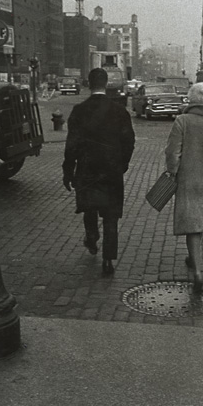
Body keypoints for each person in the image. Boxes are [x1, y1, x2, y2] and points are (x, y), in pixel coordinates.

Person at [62, 68, 135, 276]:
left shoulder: (79, 111)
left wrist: (68, 171)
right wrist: (122, 164)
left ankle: (92, 237)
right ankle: (108, 260)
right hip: (112, 170)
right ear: (105, 83)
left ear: (89, 84)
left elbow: (71, 145)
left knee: (90, 208)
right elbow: (129, 141)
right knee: (111, 216)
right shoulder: (119, 111)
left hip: (87, 169)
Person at [165, 82, 203, 292]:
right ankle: (194, 260)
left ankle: (198, 272)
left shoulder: (183, 121)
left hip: (188, 179)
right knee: (200, 221)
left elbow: (173, 152)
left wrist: (172, 171)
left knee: (192, 224)